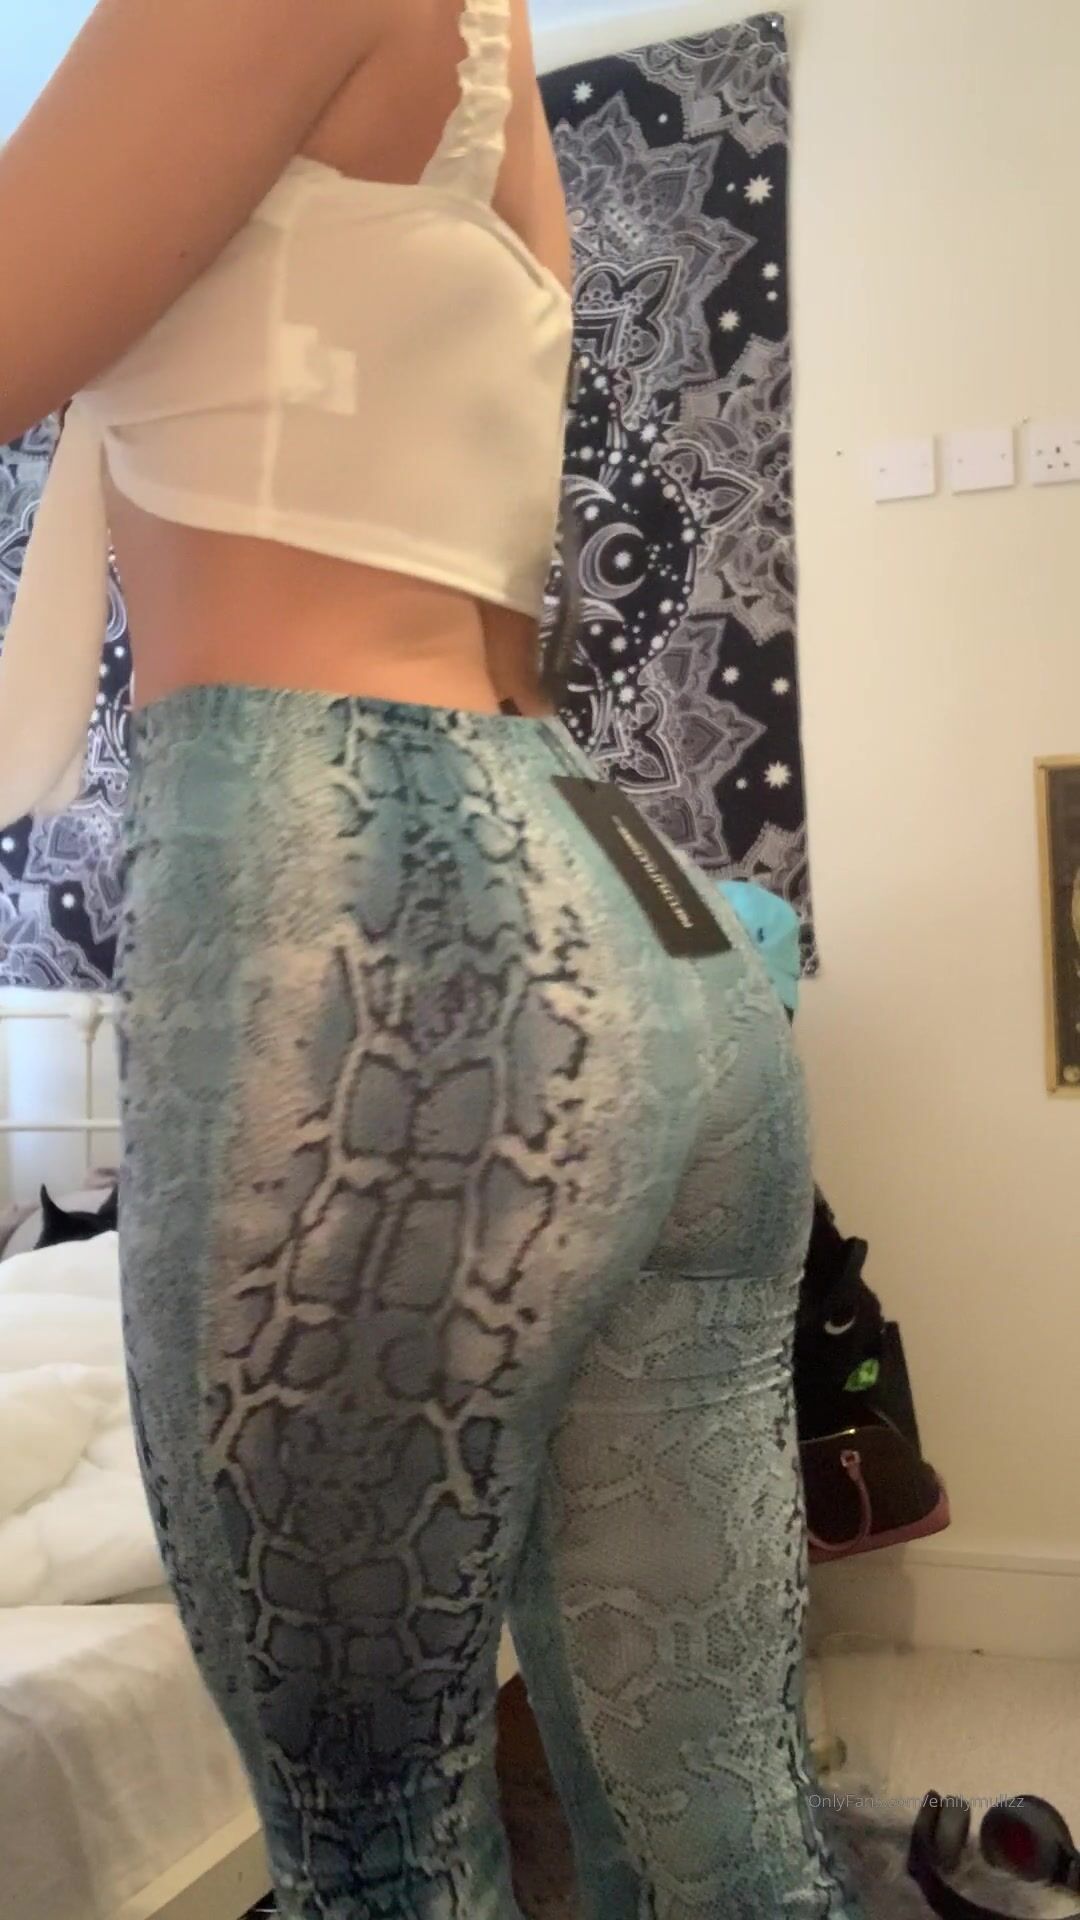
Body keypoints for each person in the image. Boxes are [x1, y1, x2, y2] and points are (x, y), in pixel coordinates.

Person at [0, 4, 860, 1914]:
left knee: (377, 1856)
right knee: (723, 1821)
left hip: (385, 936)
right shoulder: (476, 48)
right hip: (636, 909)